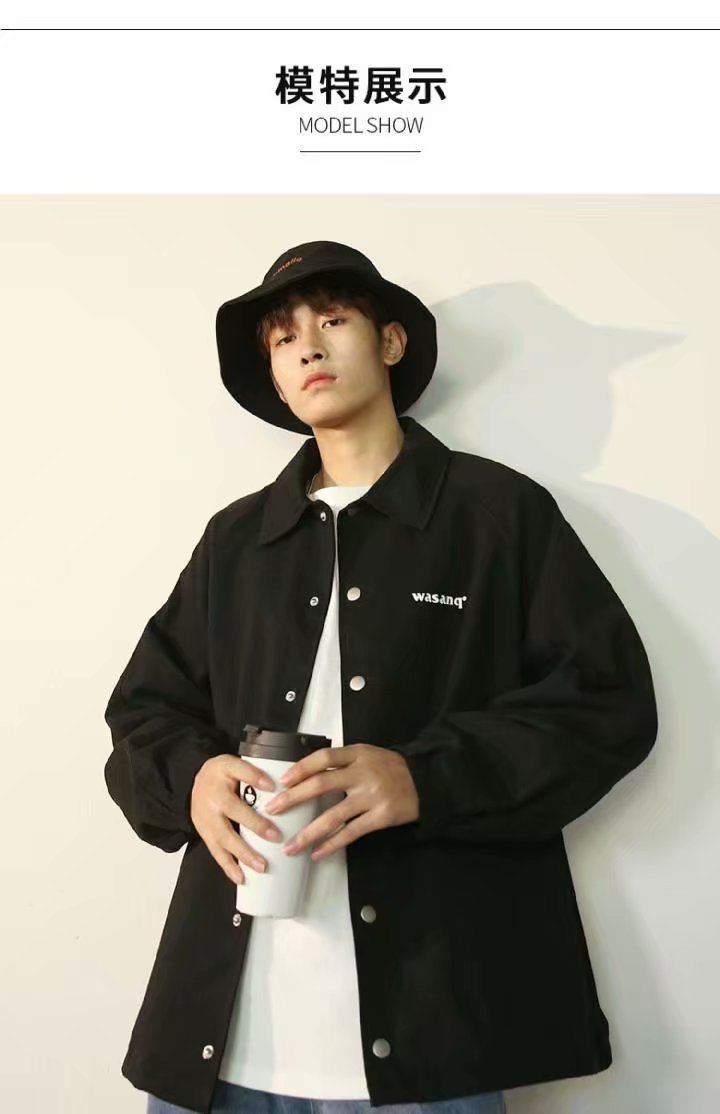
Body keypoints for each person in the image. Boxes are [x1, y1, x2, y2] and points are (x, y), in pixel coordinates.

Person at [104, 241, 659, 1114]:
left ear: (391, 342)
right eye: (283, 338)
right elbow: (144, 710)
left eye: (332, 320)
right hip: (221, 1043)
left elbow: (608, 702)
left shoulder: (496, 515)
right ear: (276, 377)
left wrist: (426, 778)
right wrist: (194, 781)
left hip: (434, 1041)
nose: (308, 346)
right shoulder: (236, 541)